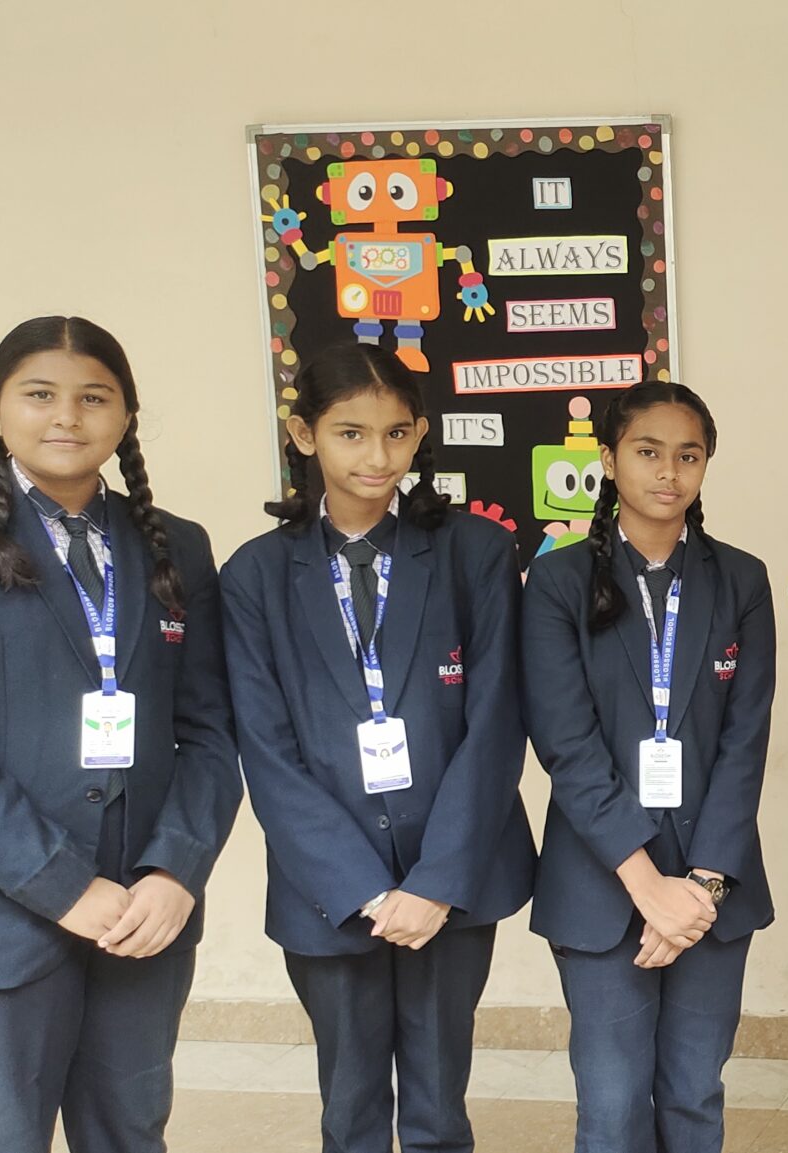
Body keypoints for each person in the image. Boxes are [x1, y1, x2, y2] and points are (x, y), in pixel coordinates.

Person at [0, 316, 239, 1153]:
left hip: (142, 918)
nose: (66, 415)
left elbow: (210, 734)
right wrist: (66, 885)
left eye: (93, 397)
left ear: (126, 415)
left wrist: (175, 871)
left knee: (131, 1134)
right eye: (39, 394)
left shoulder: (177, 546)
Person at [221, 342, 535, 1153]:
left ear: (420, 433)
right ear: (304, 434)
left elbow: (497, 724)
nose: (377, 455)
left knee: (438, 1107)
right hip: (327, 890)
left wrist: (434, 883)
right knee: (351, 1106)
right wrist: (361, 887)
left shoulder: (475, 551)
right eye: (350, 433)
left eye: (397, 433)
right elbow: (266, 750)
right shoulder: (255, 574)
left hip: (451, 882)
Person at [525, 381, 776, 1152]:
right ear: (608, 459)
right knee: (612, 1107)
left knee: (695, 1096)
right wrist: (647, 887)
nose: (669, 471)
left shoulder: (740, 579)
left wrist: (699, 888)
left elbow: (745, 743)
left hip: (711, 888)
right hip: (601, 886)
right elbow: (567, 745)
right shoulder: (558, 582)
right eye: (647, 451)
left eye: (688, 455)